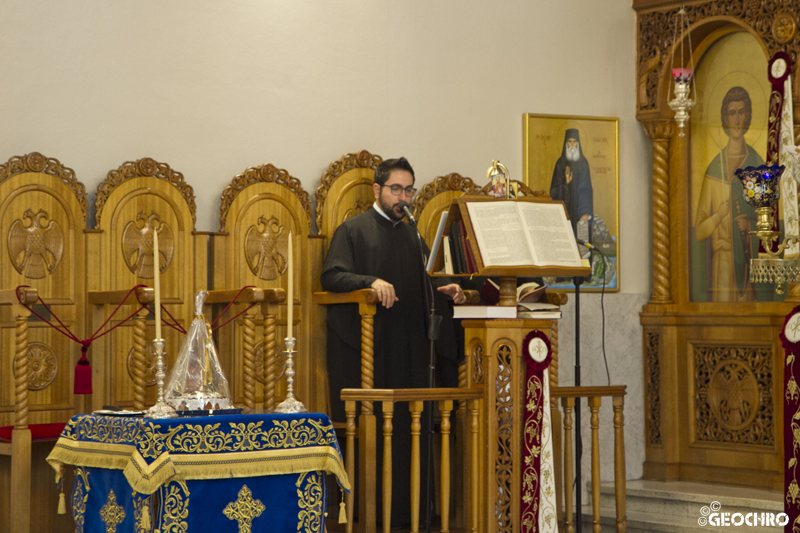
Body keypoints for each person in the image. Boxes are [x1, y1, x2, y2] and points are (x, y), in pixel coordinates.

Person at [321, 156, 465, 526]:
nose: (404, 197)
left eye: (408, 190)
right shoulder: (353, 230)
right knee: (378, 435)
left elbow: (417, 284)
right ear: (377, 190)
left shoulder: (413, 234)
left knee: (410, 433)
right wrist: (369, 282)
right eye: (396, 189)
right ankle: (374, 518)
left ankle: (416, 515)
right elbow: (333, 276)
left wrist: (442, 288)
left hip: (413, 352)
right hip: (375, 352)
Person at [694, 86, 771, 302]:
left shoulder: (757, 166)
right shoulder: (714, 169)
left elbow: (769, 224)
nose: (736, 120)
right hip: (722, 266)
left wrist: (750, 226)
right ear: (724, 119)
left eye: (741, 112)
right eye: (731, 113)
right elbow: (699, 232)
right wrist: (718, 216)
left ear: (747, 116)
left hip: (748, 265)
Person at [550, 128, 594, 236]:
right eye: (570, 141)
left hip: (579, 214)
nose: (572, 144)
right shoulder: (560, 163)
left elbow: (586, 189)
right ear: (566, 144)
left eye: (574, 141)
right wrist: (566, 184)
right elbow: (554, 191)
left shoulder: (583, 163)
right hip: (565, 213)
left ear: (578, 144)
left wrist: (585, 212)